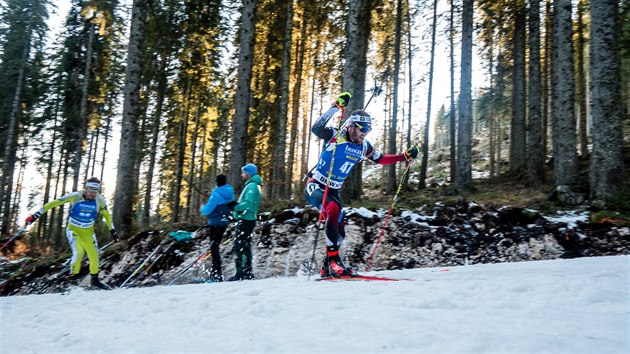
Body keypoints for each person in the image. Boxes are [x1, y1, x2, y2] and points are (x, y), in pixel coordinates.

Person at [304, 92, 418, 278]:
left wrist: (403, 156)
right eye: (362, 128)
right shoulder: (335, 135)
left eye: (368, 130)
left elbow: (380, 159)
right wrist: (336, 106)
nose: (365, 133)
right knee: (332, 210)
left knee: (340, 233)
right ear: (350, 126)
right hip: (316, 185)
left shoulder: (364, 146)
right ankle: (334, 262)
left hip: (333, 190)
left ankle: (327, 266)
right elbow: (316, 128)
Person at [24, 177, 119, 289]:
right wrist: (35, 215)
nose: (92, 194)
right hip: (74, 230)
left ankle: (95, 281)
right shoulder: (76, 196)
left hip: (88, 232)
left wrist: (113, 231)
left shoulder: (100, 200)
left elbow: (107, 216)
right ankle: (73, 279)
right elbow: (54, 203)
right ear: (85, 188)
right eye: (90, 190)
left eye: (95, 191)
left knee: (94, 255)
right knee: (78, 252)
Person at [228, 163, 262, 281]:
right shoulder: (251, 185)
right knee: (244, 246)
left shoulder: (252, 186)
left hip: (246, 220)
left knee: (241, 246)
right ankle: (246, 272)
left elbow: (248, 204)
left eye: (243, 172)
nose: (242, 175)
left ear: (248, 173)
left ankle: (242, 273)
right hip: (246, 219)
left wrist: (235, 207)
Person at [200, 174, 235, 282]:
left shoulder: (215, 194)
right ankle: (217, 273)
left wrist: (202, 207)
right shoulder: (229, 192)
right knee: (215, 246)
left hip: (215, 223)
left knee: (214, 248)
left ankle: (217, 274)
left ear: (217, 182)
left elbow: (207, 210)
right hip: (224, 223)